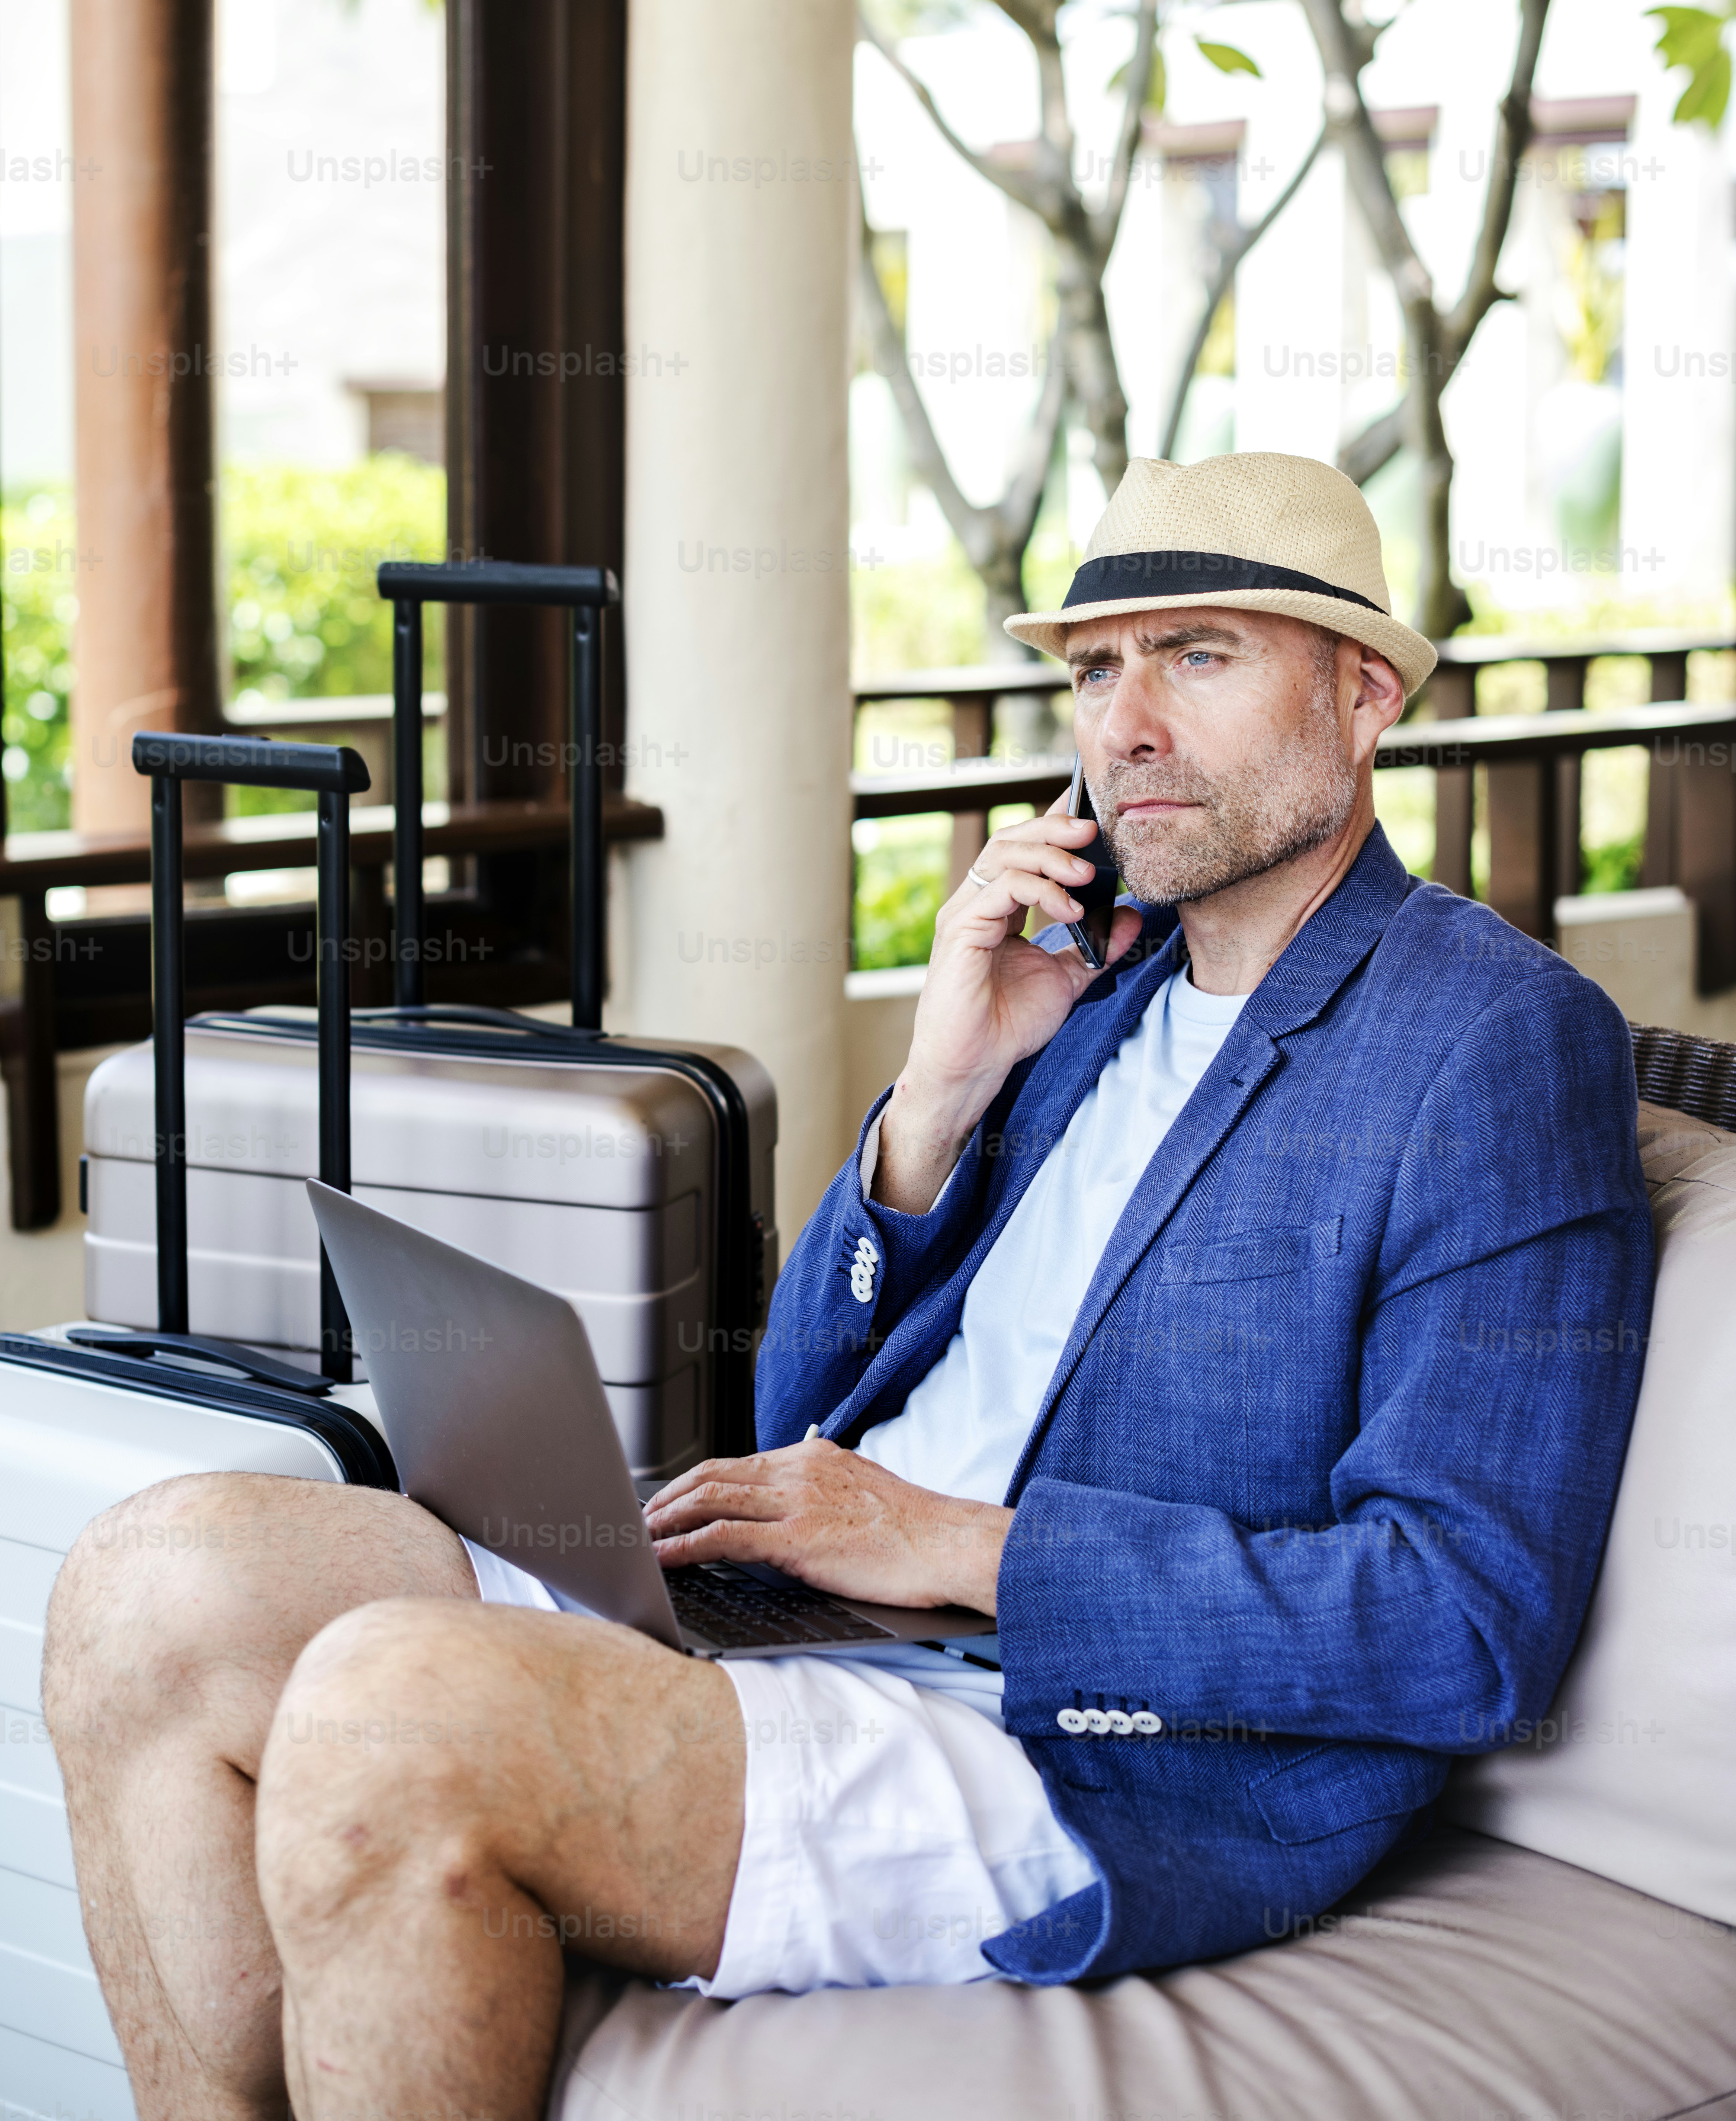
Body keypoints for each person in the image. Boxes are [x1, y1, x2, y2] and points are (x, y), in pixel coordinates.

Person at [44, 451, 1653, 2121]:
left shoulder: (1489, 1036)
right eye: (1098, 669)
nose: (1128, 727)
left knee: (390, 1706)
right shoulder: (1082, 986)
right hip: (807, 1607)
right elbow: (791, 1406)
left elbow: (1467, 1618)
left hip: (1080, 1742)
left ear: (1365, 689)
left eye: (1202, 654)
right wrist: (938, 1091)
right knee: (149, 1584)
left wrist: (956, 1543)